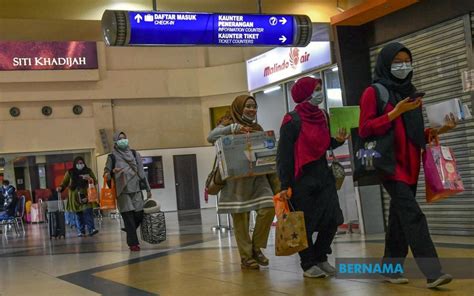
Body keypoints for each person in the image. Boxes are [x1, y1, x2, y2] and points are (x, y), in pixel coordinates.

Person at [358, 42, 456, 288]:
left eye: (407, 61)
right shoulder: (374, 92)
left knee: (400, 218)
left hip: (411, 165)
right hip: (390, 165)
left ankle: (390, 268)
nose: (403, 66)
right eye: (397, 62)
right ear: (385, 64)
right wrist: (395, 112)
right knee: (413, 216)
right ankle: (433, 272)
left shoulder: (411, 93)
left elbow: (413, 133)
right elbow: (365, 129)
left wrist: (439, 129)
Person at [276, 77, 348, 278]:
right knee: (304, 223)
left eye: (320, 89)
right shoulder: (292, 120)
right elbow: (284, 155)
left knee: (333, 219)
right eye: (316, 89)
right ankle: (308, 264)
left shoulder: (323, 116)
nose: (319, 93)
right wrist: (285, 184)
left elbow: (324, 144)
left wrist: (338, 141)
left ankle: (321, 256)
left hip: (323, 174)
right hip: (301, 178)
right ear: (305, 94)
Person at [207, 95, 275, 270]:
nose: (252, 110)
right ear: (238, 108)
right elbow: (210, 137)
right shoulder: (228, 125)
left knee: (268, 208)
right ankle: (246, 257)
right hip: (235, 182)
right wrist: (231, 128)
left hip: (258, 179)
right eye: (248, 106)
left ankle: (256, 247)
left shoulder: (257, 128)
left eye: (254, 106)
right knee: (241, 219)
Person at [104, 132, 152, 252]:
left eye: (124, 138)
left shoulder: (135, 154)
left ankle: (129, 229)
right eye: (120, 139)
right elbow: (106, 174)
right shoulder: (112, 157)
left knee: (139, 214)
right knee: (129, 217)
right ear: (115, 142)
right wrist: (112, 172)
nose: (123, 140)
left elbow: (141, 172)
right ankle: (133, 244)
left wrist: (148, 189)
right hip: (122, 191)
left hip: (136, 189)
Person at [57, 157, 99, 237]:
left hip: (86, 194)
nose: (80, 165)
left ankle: (91, 229)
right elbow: (64, 183)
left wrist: (89, 179)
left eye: (82, 163)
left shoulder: (88, 171)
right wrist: (60, 188)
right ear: (75, 163)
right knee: (78, 213)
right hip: (74, 196)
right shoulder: (70, 172)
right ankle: (81, 231)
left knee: (88, 210)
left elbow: (94, 181)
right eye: (78, 163)